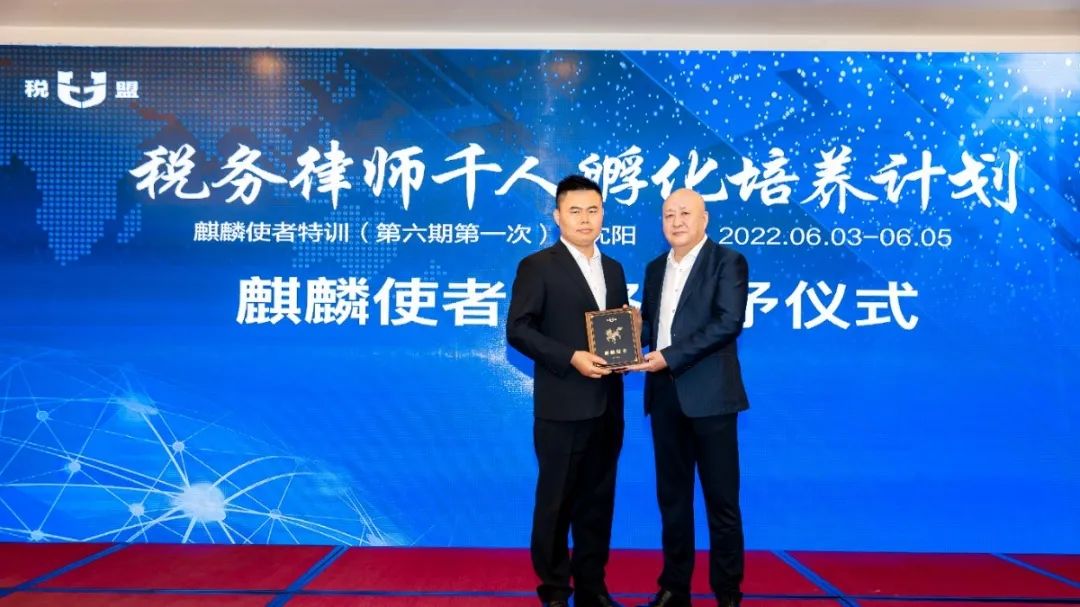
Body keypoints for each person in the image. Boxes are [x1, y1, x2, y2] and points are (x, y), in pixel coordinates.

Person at [507, 175, 628, 607]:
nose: (584, 219)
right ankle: (556, 591)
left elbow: (616, 330)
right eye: (575, 211)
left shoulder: (614, 269)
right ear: (557, 216)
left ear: (603, 214)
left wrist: (632, 341)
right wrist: (570, 356)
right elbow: (518, 330)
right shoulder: (537, 266)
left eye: (593, 210)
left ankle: (593, 589)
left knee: (598, 504)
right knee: (555, 504)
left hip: (608, 406)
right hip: (561, 406)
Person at [627, 189, 750, 607]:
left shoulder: (727, 262)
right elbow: (653, 328)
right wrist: (627, 335)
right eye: (668, 215)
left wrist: (669, 356)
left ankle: (728, 594)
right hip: (664, 398)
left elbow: (727, 323)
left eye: (685, 213)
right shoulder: (654, 268)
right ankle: (674, 588)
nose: (676, 221)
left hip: (712, 399)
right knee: (673, 500)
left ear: (704, 218)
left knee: (722, 503)